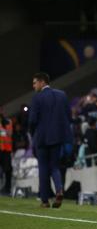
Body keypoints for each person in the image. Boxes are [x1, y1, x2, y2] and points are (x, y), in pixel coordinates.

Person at [28, 72, 73, 208]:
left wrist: (32, 133)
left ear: (42, 82)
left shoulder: (37, 98)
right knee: (54, 167)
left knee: (43, 168)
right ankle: (59, 190)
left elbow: (32, 120)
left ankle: (45, 200)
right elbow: (68, 116)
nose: (33, 85)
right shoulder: (62, 95)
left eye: (35, 82)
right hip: (58, 137)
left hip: (42, 137)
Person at [0, 107, 13, 195]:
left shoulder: (8, 121)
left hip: (6, 149)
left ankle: (7, 188)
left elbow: (10, 133)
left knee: (7, 169)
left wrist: (4, 129)